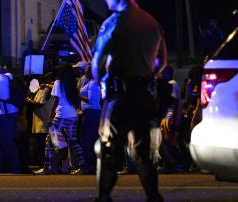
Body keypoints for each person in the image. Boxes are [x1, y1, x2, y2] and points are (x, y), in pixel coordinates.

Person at [91, 0, 167, 201]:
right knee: (142, 152)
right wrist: (145, 70)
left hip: (120, 96)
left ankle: (103, 197)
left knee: (106, 149)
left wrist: (102, 81)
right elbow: (162, 62)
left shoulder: (114, 22)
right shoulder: (152, 23)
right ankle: (153, 196)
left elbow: (97, 61)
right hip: (144, 95)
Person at [48, 63, 85, 175]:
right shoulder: (72, 82)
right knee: (74, 142)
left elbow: (56, 101)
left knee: (49, 141)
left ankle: (48, 167)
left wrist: (50, 116)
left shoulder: (58, 82)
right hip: (72, 116)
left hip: (61, 116)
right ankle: (82, 166)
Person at [0, 63, 21, 174]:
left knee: (6, 141)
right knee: (1, 140)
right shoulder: (8, 77)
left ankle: (15, 166)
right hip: (14, 111)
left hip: (4, 114)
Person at [78, 63, 101, 174]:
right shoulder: (93, 83)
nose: (85, 72)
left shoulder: (92, 83)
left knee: (87, 140)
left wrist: (78, 96)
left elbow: (92, 101)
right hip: (93, 113)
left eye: (87, 70)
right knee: (92, 139)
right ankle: (92, 165)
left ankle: (88, 166)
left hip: (91, 113)